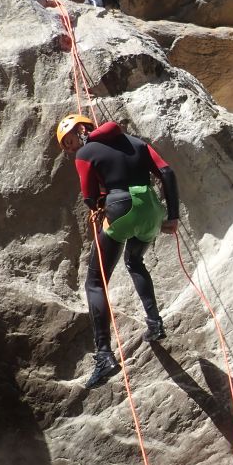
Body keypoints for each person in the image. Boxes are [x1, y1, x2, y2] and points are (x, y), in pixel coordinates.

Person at [56, 114, 180, 389]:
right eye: (67, 146)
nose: (71, 148)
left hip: (124, 208)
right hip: (152, 209)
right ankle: (155, 323)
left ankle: (104, 356)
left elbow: (89, 198)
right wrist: (172, 216)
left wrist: (102, 198)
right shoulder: (135, 141)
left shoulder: (86, 153)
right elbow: (167, 172)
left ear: (81, 129)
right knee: (134, 261)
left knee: (95, 283)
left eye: (70, 142)